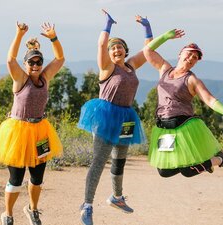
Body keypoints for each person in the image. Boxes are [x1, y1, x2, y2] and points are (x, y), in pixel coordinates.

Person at [77, 9, 153, 225]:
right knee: (99, 161)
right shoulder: (107, 68)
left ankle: (117, 197)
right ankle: (87, 205)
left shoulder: (131, 66)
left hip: (127, 118)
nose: (116, 49)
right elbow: (101, 45)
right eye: (113, 47)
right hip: (105, 116)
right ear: (109, 54)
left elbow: (149, 49)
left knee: (119, 161)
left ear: (125, 51)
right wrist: (107, 25)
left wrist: (147, 29)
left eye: (119, 46)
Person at [0, 21, 64, 225]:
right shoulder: (20, 79)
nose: (35, 66)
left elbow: (60, 58)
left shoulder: (45, 77)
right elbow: (10, 59)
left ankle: (32, 209)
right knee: (16, 178)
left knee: (37, 177)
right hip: (18, 131)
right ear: (26, 64)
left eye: (38, 62)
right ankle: (8, 214)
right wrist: (19, 34)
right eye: (31, 62)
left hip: (40, 131)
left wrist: (53, 38)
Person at [142, 29, 223, 178]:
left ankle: (220, 159)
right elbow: (147, 50)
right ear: (180, 54)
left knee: (187, 171)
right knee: (164, 171)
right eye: (189, 53)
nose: (192, 57)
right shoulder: (164, 69)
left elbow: (209, 99)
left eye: (195, 57)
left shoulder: (192, 80)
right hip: (164, 128)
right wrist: (166, 37)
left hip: (183, 127)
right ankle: (206, 163)